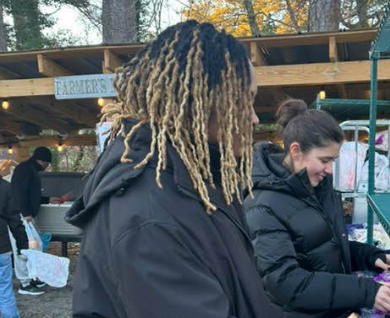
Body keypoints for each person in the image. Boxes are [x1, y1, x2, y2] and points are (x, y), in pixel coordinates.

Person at [65, 20, 284, 318]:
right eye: (246, 100)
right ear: (203, 102)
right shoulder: (149, 216)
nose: (255, 118)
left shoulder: (199, 181)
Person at [244, 99, 390, 318]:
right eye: (325, 160)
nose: (330, 169)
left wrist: (369, 256)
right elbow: (285, 283)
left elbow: (324, 246)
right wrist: (362, 290)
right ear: (295, 151)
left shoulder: (318, 186)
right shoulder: (262, 205)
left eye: (334, 160)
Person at [10, 147, 60, 295]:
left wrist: (47, 199)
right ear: (42, 160)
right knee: (23, 249)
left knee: (34, 247)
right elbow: (20, 193)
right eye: (47, 163)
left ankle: (32, 277)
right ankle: (25, 283)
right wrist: (25, 213)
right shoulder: (25, 169)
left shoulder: (30, 170)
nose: (47, 167)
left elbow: (32, 194)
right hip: (21, 216)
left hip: (27, 216)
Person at [0, 175, 28, 318]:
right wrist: (23, 246)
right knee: (4, 290)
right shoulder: (5, 187)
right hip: (1, 248)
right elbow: (15, 221)